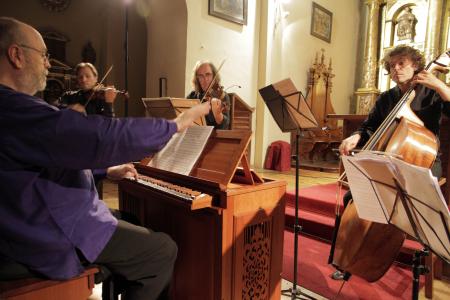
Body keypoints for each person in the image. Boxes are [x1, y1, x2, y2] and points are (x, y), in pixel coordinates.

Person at [0, 17, 210, 300]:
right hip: (45, 232)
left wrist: (104, 171)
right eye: (44, 55)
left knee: (132, 219)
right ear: (16, 55)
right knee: (162, 251)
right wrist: (177, 124)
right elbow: (96, 137)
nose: (49, 64)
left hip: (35, 215)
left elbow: (43, 159)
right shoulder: (11, 108)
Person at [330, 44, 450, 280]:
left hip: (422, 162)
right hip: (388, 161)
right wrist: (356, 135)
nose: (396, 69)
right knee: (352, 197)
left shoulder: (431, 92)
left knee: (396, 202)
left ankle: (387, 254)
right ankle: (346, 259)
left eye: (402, 63)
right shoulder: (387, 98)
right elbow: (369, 126)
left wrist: (439, 85)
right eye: (392, 65)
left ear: (415, 65)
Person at [187, 60, 231, 129]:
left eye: (208, 74)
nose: (205, 79)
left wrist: (218, 115)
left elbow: (225, 125)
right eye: (201, 76)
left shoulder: (222, 96)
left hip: (213, 138)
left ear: (214, 76)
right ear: (197, 79)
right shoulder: (192, 96)